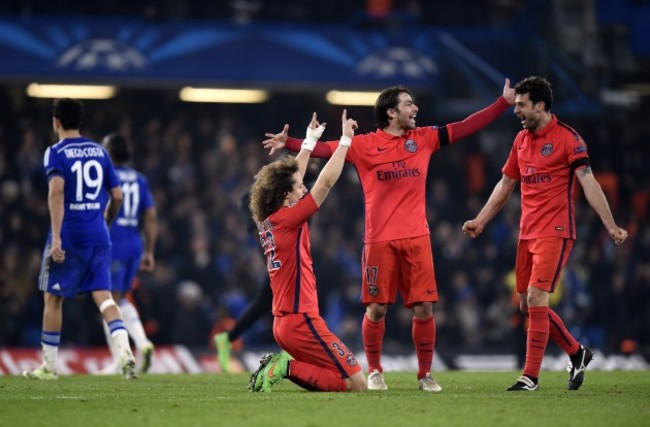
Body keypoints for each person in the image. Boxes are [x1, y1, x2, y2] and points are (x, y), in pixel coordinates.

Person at [263, 79, 516, 391]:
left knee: (425, 308)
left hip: (417, 238)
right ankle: (375, 371)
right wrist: (291, 143)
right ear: (392, 112)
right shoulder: (364, 144)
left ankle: (425, 375)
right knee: (377, 308)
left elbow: (466, 126)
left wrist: (502, 103)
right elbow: (327, 150)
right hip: (378, 240)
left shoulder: (423, 138)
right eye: (409, 104)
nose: (416, 108)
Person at [462, 76, 628, 391]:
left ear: (540, 106)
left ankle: (530, 376)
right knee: (526, 306)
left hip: (556, 229)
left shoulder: (569, 139)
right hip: (526, 233)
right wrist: (481, 220)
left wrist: (610, 225)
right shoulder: (521, 140)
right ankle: (577, 352)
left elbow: (588, 182)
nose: (516, 111)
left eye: (521, 105)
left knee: (538, 299)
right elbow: (505, 185)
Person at [248, 110, 367, 393]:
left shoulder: (270, 219)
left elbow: (292, 178)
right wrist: (345, 143)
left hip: (285, 323)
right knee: (357, 385)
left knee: (339, 380)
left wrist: (309, 142)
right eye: (299, 188)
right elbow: (325, 183)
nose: (304, 189)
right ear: (286, 196)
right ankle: (283, 367)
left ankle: (283, 366)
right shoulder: (288, 219)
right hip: (301, 320)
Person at [23, 98, 137, 380]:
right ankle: (125, 351)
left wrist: (58, 238)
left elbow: (57, 192)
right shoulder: (100, 151)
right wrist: (104, 222)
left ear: (56, 122)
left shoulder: (55, 152)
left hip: (69, 235)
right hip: (98, 234)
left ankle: (49, 367)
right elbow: (118, 196)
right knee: (105, 298)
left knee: (53, 298)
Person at [99, 133, 157, 375]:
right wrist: (149, 251)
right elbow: (151, 216)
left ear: (110, 152)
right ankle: (141, 343)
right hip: (134, 242)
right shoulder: (140, 179)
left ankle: (120, 357)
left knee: (106, 299)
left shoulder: (105, 177)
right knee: (120, 299)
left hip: (113, 240)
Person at [214, 192, 273, 373]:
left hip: (294, 249)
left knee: (265, 301)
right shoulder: (282, 180)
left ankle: (227, 338)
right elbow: (243, 200)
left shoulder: (306, 183)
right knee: (279, 298)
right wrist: (254, 227)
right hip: (276, 248)